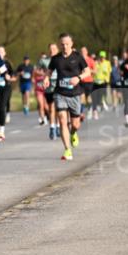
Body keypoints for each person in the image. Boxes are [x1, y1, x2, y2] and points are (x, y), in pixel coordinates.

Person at [47, 33, 90, 161]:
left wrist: (78, 78)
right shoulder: (56, 58)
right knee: (61, 119)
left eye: (67, 44)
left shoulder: (78, 57)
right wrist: (46, 78)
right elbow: (49, 71)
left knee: (75, 124)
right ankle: (67, 150)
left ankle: (73, 133)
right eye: (62, 44)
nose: (64, 46)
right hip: (60, 93)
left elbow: (87, 71)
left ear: (72, 44)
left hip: (75, 94)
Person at [0, 45, 14, 142]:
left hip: (6, 87)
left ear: (4, 53)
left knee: (2, 107)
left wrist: (9, 77)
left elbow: (12, 75)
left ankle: (2, 130)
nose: (0, 53)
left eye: (2, 52)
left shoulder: (7, 63)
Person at [91, 50, 112, 119]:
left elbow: (109, 71)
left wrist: (107, 79)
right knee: (95, 96)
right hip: (96, 81)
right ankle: (96, 110)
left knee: (102, 94)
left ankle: (102, 103)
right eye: (101, 57)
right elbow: (93, 71)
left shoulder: (107, 63)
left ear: (105, 57)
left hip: (103, 81)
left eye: (103, 57)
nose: (102, 58)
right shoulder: (96, 63)